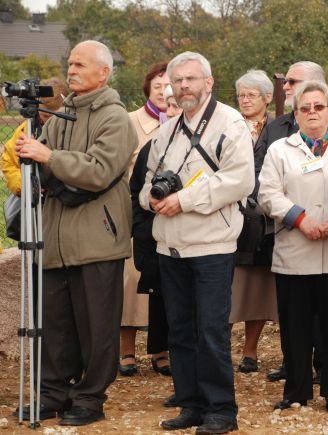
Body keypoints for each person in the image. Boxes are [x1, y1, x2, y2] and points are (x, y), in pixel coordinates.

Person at [13, 40, 138, 426]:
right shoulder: (60, 113)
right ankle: (52, 393)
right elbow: (42, 166)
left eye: (81, 64)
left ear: (103, 72)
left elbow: (100, 169)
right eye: (70, 63)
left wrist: (49, 158)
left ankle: (89, 397)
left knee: (97, 326)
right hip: (56, 236)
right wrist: (36, 158)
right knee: (54, 323)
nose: (72, 70)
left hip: (97, 239)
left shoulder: (115, 118)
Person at [139, 51, 254, 434]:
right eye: (178, 80)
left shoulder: (231, 123)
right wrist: (152, 200)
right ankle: (189, 404)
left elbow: (240, 181)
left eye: (192, 78)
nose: (184, 85)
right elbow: (146, 182)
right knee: (180, 331)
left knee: (211, 331)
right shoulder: (167, 129)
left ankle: (221, 410)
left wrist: (183, 199)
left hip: (211, 247)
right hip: (169, 246)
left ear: (209, 82)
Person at [258, 80, 328, 412]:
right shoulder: (278, 150)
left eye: (319, 107)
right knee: (295, 327)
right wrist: (301, 220)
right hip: (295, 252)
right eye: (305, 108)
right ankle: (296, 390)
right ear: (295, 114)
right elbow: (268, 195)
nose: (312, 113)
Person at [120, 62, 171, 377]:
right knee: (131, 283)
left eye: (170, 88)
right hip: (135, 214)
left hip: (170, 217)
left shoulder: (183, 126)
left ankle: (161, 350)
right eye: (158, 87)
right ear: (148, 89)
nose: (164, 93)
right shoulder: (130, 122)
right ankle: (126, 350)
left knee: (163, 284)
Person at [231, 69, 277, 373]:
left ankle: (250, 350)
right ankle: (221, 348)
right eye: (241, 95)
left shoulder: (278, 128)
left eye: (252, 95)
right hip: (232, 213)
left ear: (267, 98)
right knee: (230, 284)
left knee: (258, 286)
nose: (245, 101)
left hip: (262, 218)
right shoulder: (229, 125)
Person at [1, 77, 68, 196]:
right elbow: (8, 161)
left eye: (53, 116)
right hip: (34, 201)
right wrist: (24, 184)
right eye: (44, 115)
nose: (49, 122)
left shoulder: (76, 129)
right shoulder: (26, 129)